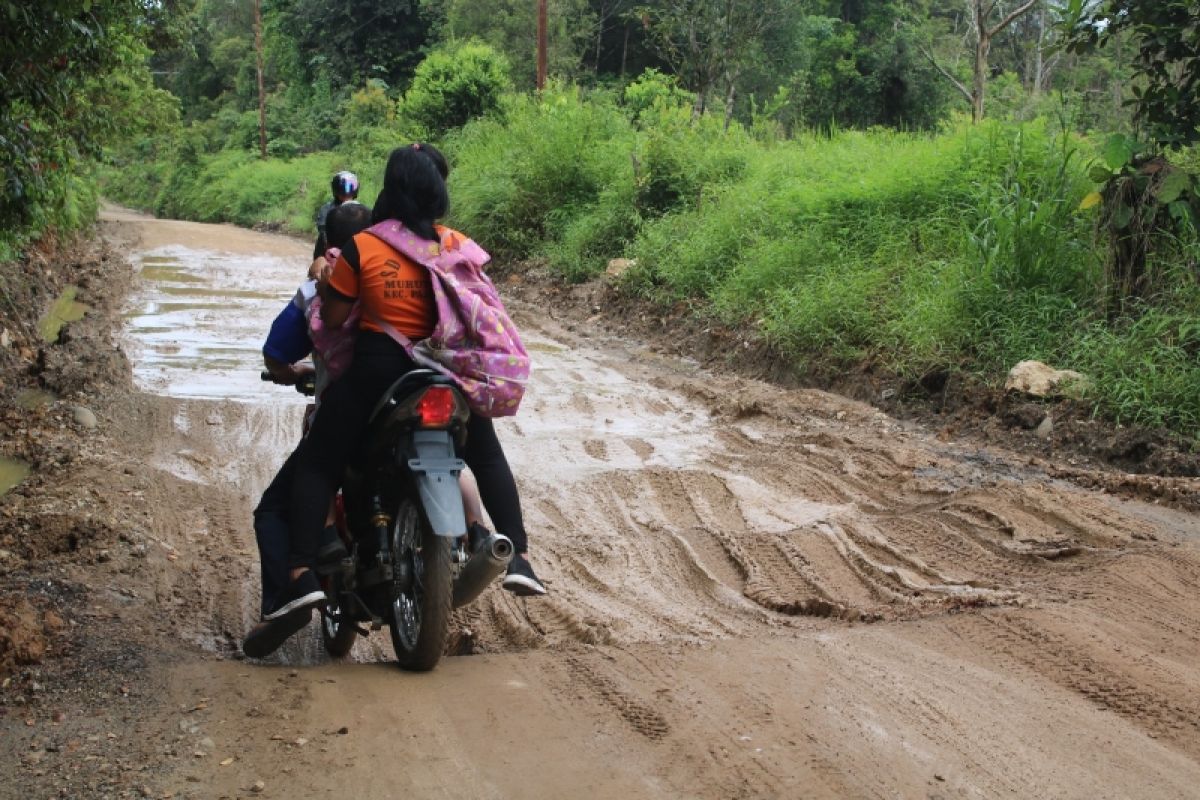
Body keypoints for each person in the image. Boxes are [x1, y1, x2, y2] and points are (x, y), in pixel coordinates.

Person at [268, 143, 545, 638]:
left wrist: (329, 282)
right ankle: (521, 556)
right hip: (443, 369)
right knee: (484, 452)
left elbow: (333, 319)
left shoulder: (364, 246)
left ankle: (300, 571)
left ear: (389, 189)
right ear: (438, 190)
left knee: (320, 460)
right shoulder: (456, 244)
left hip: (380, 368)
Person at [313, 171, 359, 260]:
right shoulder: (327, 209)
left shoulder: (326, 208)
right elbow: (323, 234)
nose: (346, 194)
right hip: (331, 252)